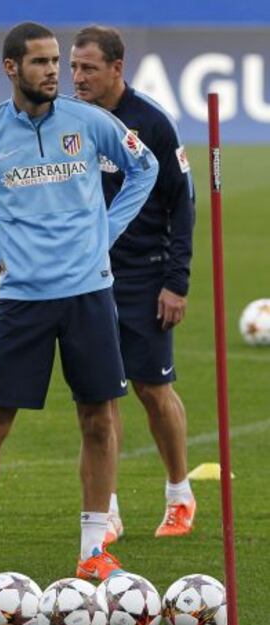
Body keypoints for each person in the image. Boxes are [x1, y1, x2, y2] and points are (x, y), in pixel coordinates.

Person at [0, 22, 158, 584]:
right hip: (22, 299)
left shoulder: (91, 121)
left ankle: (94, 549)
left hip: (89, 294)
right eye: (42, 62)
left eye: (57, 61)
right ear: (11, 68)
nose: (54, 71)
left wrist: (108, 230)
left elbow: (143, 166)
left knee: (98, 420)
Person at [70, 26, 196, 543]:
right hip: (87, 273)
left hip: (145, 274)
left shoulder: (152, 125)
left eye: (88, 68)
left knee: (152, 388)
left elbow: (182, 205)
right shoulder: (69, 121)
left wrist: (176, 282)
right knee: (99, 394)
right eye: (73, 67)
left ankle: (179, 494)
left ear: (117, 68)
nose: (76, 78)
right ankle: (110, 510)